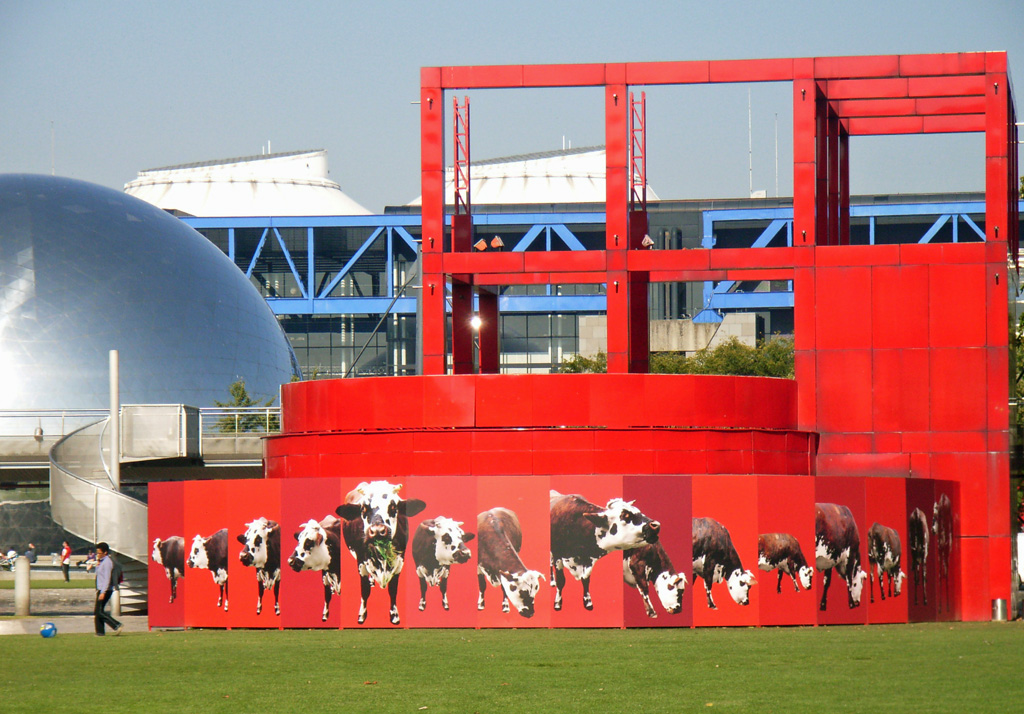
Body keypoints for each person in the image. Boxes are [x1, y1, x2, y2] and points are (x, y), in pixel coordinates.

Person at [94, 542, 122, 636]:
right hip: (101, 589)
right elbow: (98, 574)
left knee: (99, 611)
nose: (98, 555)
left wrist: (103, 592)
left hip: (105, 590)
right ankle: (100, 632)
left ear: (105, 552)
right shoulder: (102, 561)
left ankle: (116, 625)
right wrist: (97, 564)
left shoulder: (107, 562)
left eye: (99, 553)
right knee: (98, 612)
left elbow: (107, 578)